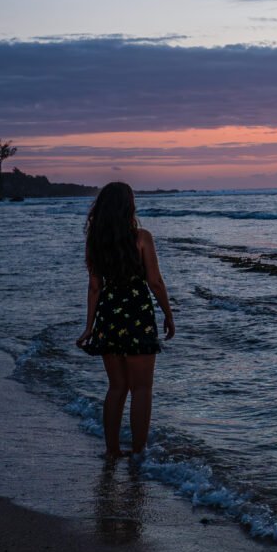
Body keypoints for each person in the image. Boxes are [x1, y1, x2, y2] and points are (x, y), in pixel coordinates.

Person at [76, 182, 174, 459]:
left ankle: (111, 450)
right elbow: (154, 281)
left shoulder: (95, 241)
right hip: (138, 314)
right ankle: (139, 451)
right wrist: (168, 313)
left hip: (109, 315)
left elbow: (95, 287)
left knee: (117, 387)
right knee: (141, 388)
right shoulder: (142, 237)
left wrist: (89, 326)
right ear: (129, 206)